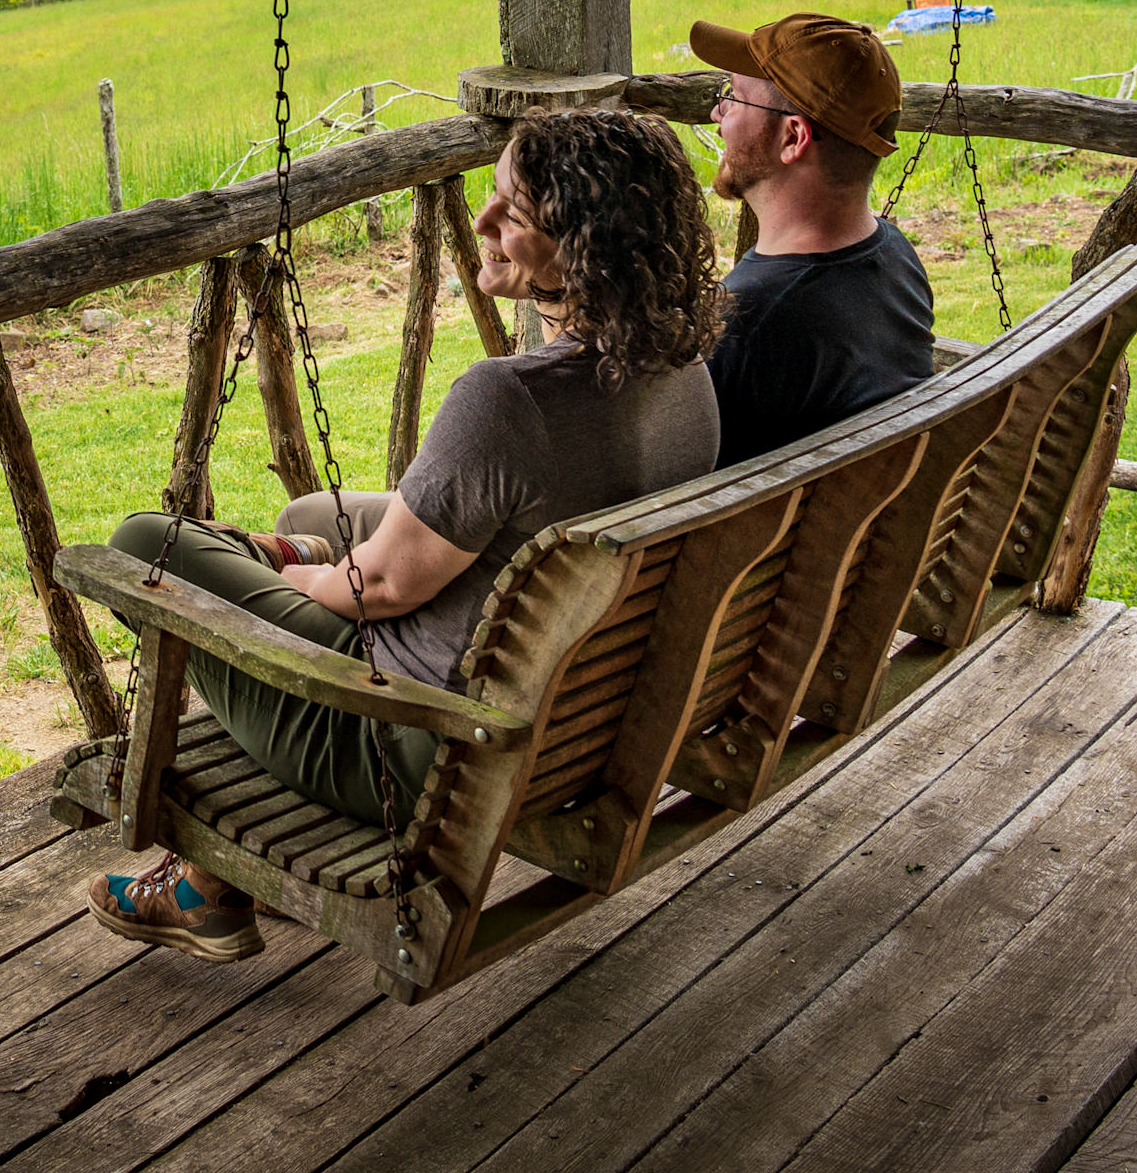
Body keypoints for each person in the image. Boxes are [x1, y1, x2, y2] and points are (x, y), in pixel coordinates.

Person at [85, 108, 724, 960]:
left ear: (584, 250)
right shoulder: (686, 374)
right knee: (313, 516)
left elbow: (377, 590)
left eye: (513, 212)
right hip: (583, 719)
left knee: (142, 548)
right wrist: (317, 554)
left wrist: (283, 578)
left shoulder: (508, 400)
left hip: (414, 745)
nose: (482, 219)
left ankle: (204, 877)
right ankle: (210, 882)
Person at [688, 12, 939, 468]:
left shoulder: (746, 324)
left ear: (793, 137)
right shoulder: (895, 256)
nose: (716, 114)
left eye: (734, 100)